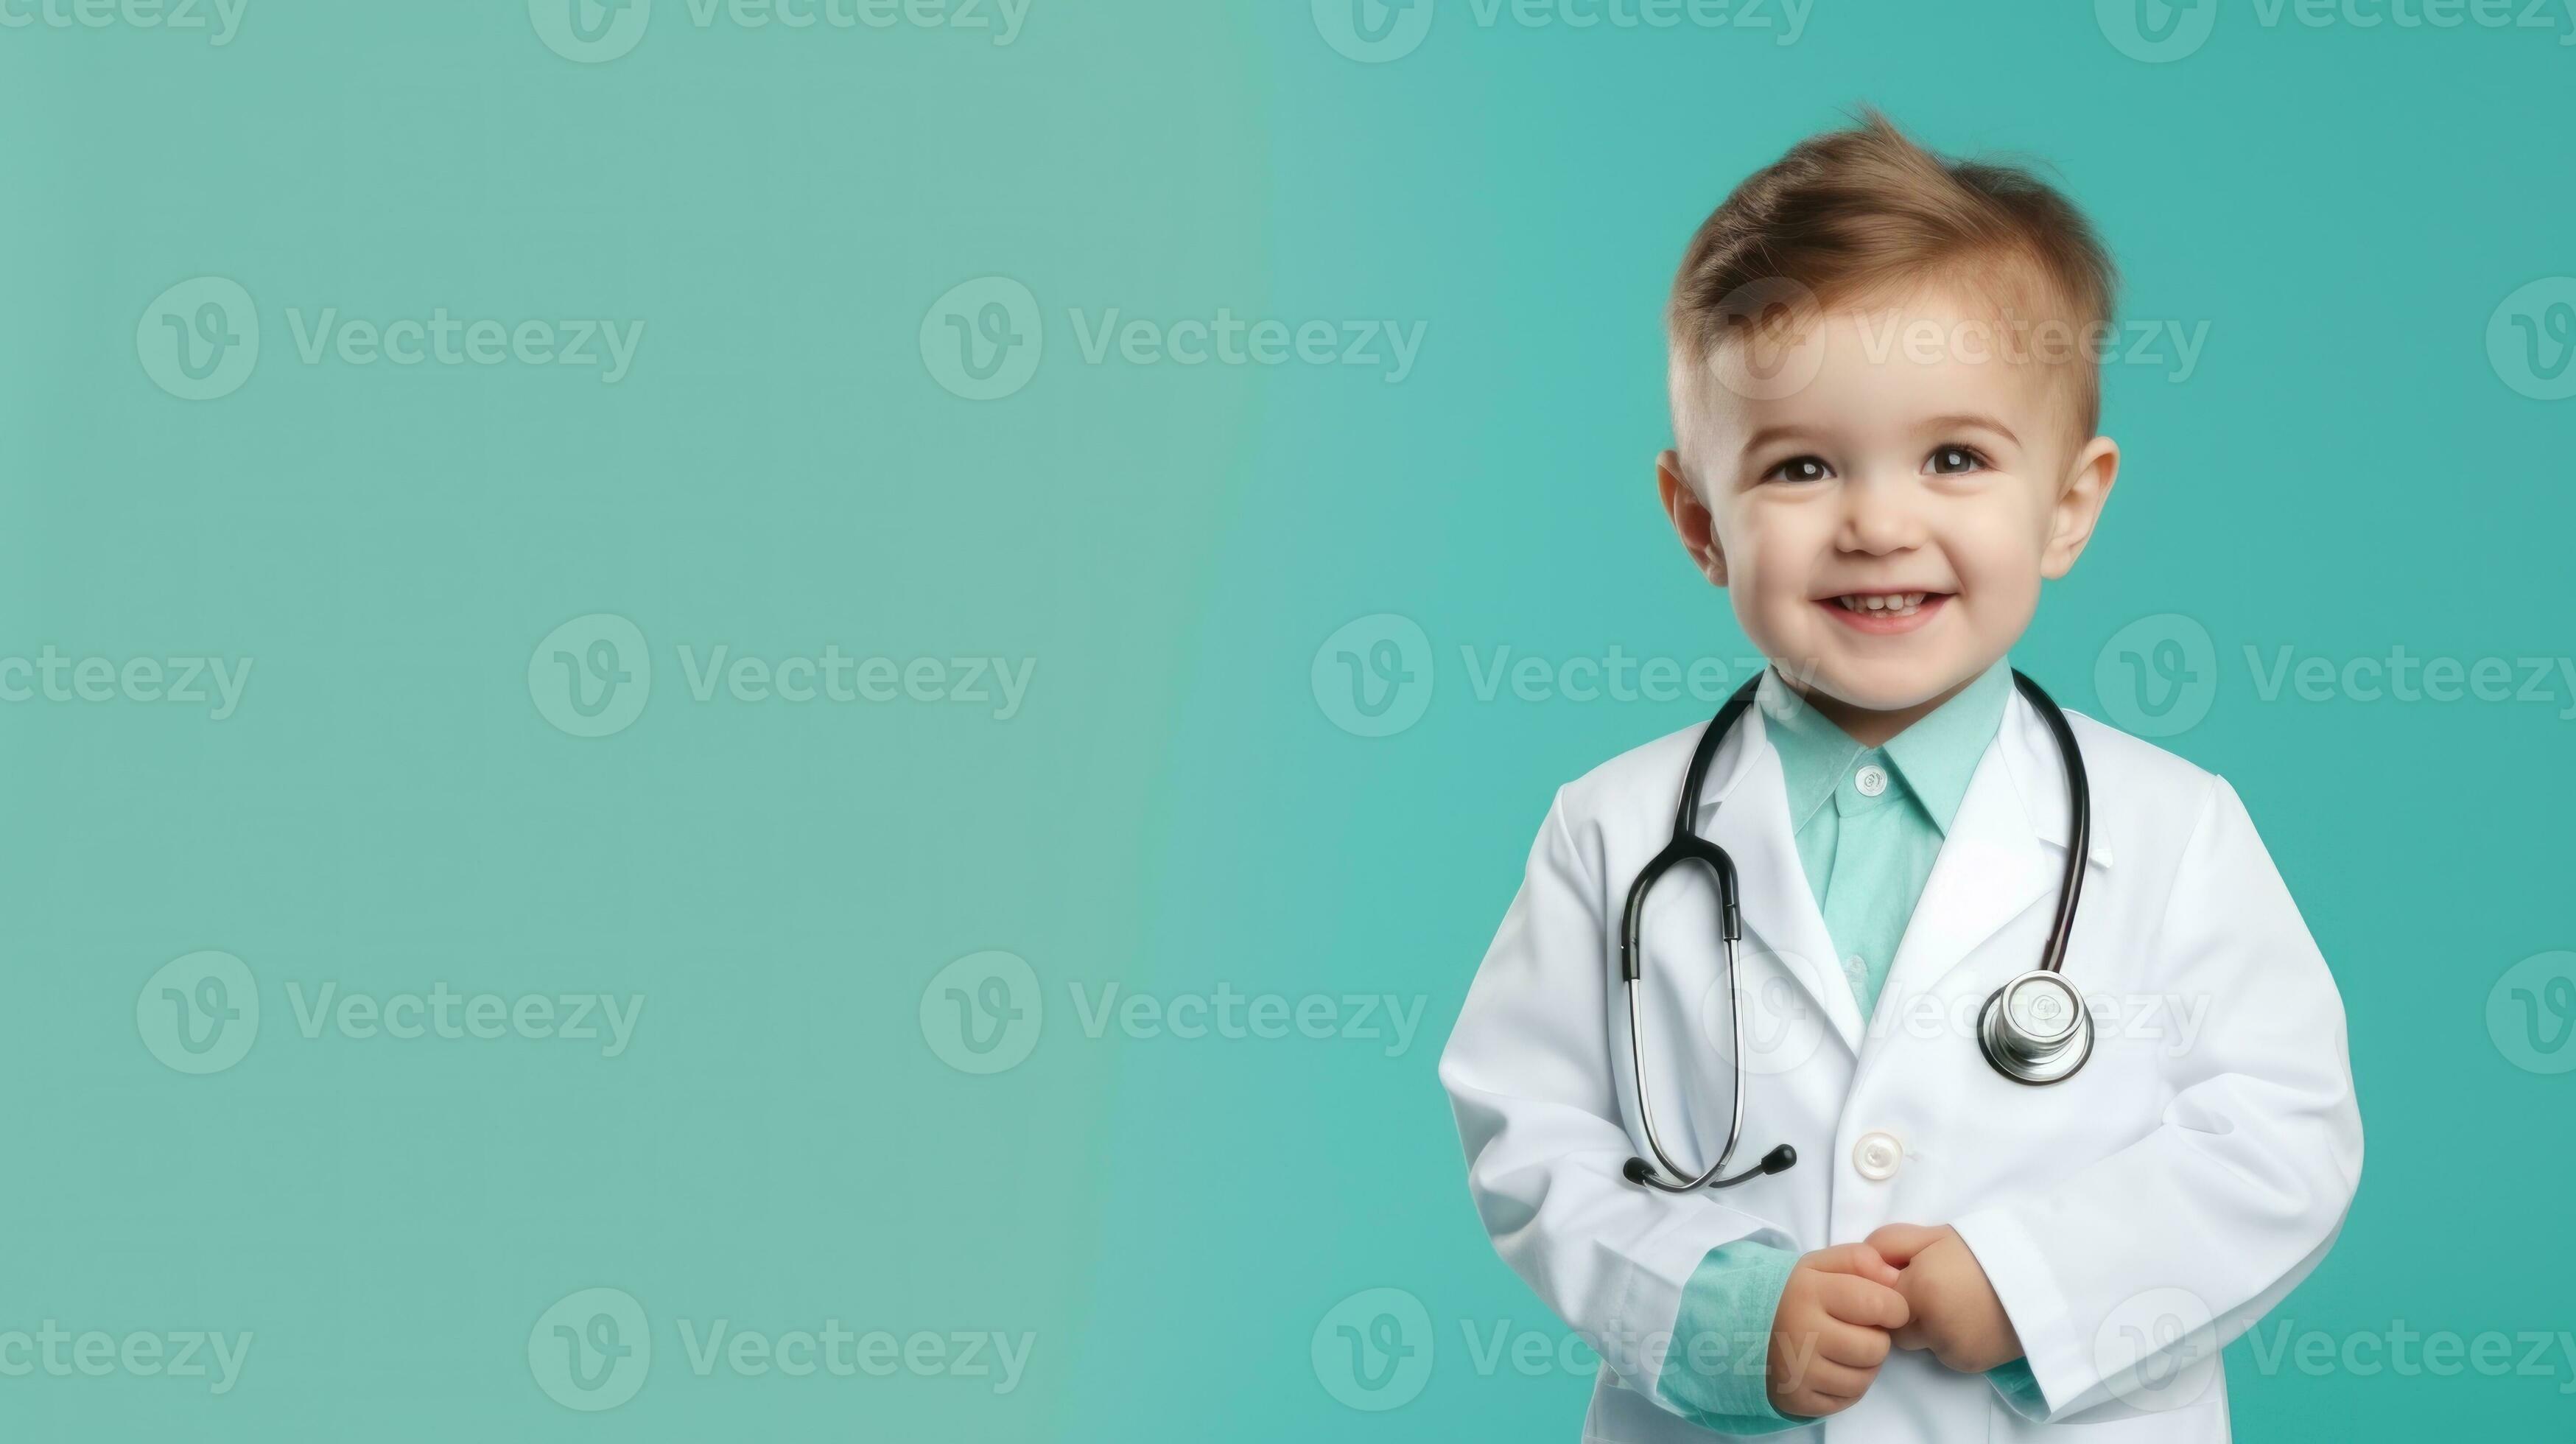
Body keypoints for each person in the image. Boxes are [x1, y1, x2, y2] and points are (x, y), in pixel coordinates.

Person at [1435, 111, 2362, 1442]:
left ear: (2068, 505)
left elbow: (2280, 1139)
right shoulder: (1611, 830)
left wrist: (2032, 1289)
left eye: (1954, 459)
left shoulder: (2176, 829)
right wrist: (1712, 1312)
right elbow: (1529, 1133)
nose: (1877, 522)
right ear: (1699, 521)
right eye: (1801, 465)